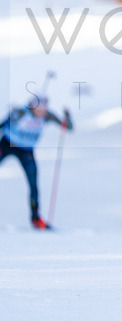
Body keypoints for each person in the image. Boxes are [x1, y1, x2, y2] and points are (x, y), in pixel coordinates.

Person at [1, 95, 73, 229]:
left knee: (33, 184)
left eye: (43, 108)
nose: (41, 111)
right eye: (38, 108)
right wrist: (11, 117)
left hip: (26, 151)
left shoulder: (47, 115)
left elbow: (67, 127)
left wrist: (67, 117)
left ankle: (36, 218)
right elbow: (3, 124)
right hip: (6, 144)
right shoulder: (21, 112)